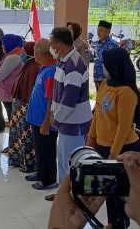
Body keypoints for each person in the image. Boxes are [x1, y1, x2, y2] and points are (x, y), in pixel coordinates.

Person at [86, 47, 140, 228]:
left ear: (115, 66)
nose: (102, 67)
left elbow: (123, 128)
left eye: (106, 64)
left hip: (122, 149)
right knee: (108, 190)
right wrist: (91, 138)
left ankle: (118, 223)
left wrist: (113, 155)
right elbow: (98, 114)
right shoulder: (104, 85)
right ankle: (112, 222)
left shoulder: (126, 92)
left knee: (119, 192)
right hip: (103, 146)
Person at [50, 28, 92, 185]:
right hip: (66, 121)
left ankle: (71, 201)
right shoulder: (65, 60)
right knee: (63, 161)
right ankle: (63, 194)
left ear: (60, 45)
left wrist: (56, 118)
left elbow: (69, 99)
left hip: (73, 122)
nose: (51, 48)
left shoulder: (73, 64)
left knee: (71, 165)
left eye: (53, 44)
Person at [25, 39, 59, 191]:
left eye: (35, 52)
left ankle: (48, 180)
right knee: (39, 149)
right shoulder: (44, 68)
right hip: (36, 119)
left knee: (47, 151)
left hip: (43, 121)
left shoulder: (51, 71)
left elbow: (51, 99)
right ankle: (40, 173)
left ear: (41, 53)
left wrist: (46, 121)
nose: (33, 54)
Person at [9, 41, 40, 173]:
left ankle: (27, 162)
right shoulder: (27, 65)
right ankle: (18, 159)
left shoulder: (34, 67)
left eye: (23, 51)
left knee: (25, 135)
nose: (21, 53)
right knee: (20, 135)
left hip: (26, 108)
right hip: (20, 107)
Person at [0, 34, 24, 122]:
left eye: (3, 44)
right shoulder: (12, 55)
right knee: (12, 118)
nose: (2, 46)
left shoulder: (13, 58)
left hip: (9, 93)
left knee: (13, 119)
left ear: (10, 44)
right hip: (9, 93)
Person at [93, 20, 119, 91]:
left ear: (108, 32)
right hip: (97, 76)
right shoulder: (97, 43)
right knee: (99, 98)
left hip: (107, 78)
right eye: (98, 30)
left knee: (106, 100)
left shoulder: (113, 44)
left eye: (101, 30)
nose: (98, 32)